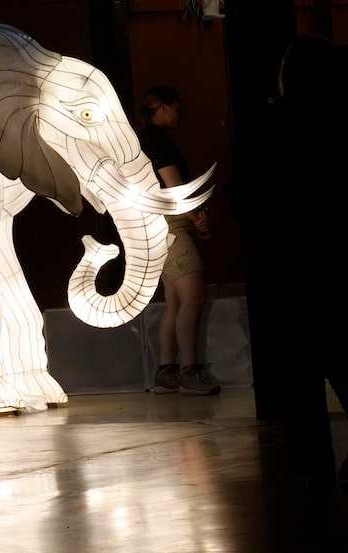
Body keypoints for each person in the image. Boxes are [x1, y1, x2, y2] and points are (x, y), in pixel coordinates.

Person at [228, 33, 348, 487]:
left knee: (302, 361)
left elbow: (247, 193)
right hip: (342, 252)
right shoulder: (345, 122)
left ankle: (313, 466)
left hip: (288, 258)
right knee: (336, 345)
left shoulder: (272, 124)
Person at [138, 85, 221, 396]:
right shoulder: (158, 141)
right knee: (193, 297)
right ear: (163, 108)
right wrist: (197, 216)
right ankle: (189, 370)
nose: (179, 116)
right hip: (171, 224)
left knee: (174, 300)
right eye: (177, 109)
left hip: (157, 225)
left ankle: (166, 371)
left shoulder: (147, 139)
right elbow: (175, 188)